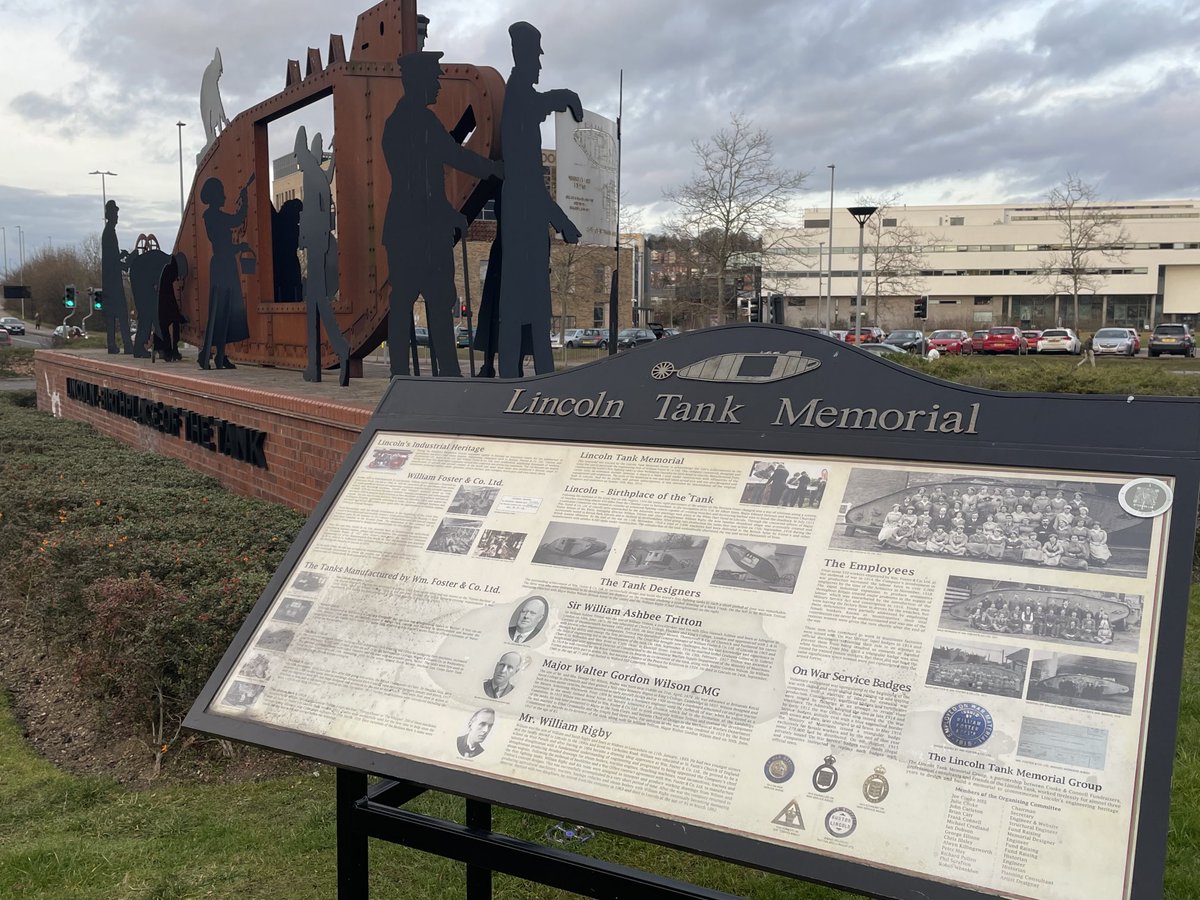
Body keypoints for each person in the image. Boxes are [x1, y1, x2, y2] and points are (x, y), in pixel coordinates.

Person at [380, 50, 501, 378]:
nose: (437, 85)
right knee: (423, 300)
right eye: (433, 79)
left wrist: (448, 213)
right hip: (418, 231)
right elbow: (445, 163)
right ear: (417, 81)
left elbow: (424, 182)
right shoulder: (417, 122)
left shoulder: (403, 121)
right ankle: (439, 374)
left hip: (410, 228)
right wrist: (495, 170)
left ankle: (405, 375)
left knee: (415, 300)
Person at [496, 21, 584, 377]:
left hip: (526, 219)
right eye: (536, 57)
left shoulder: (522, 98)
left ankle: (533, 379)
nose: (540, 66)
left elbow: (541, 104)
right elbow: (528, 182)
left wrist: (561, 97)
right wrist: (562, 221)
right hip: (522, 219)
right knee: (523, 307)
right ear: (522, 55)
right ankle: (525, 380)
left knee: (531, 307)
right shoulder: (517, 95)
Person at [295, 126, 351, 385]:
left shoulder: (310, 176)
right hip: (322, 244)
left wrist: (302, 239)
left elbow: (310, 212)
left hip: (316, 247)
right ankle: (331, 353)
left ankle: (331, 354)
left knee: (316, 304)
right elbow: (327, 182)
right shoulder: (318, 174)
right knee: (318, 304)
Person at [198, 176, 252, 369]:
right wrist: (245, 201)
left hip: (223, 264)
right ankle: (208, 352)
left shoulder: (212, 216)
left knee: (223, 311)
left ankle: (219, 354)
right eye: (221, 191)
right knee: (221, 310)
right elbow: (236, 220)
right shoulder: (214, 216)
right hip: (223, 265)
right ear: (214, 195)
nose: (224, 195)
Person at [100, 200, 133, 354]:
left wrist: (121, 256)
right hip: (112, 281)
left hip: (110, 280)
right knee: (121, 312)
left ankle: (113, 344)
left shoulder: (109, 232)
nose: (117, 217)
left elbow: (111, 257)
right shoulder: (109, 233)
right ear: (110, 215)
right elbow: (111, 261)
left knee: (113, 314)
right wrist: (125, 262)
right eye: (116, 214)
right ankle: (126, 345)